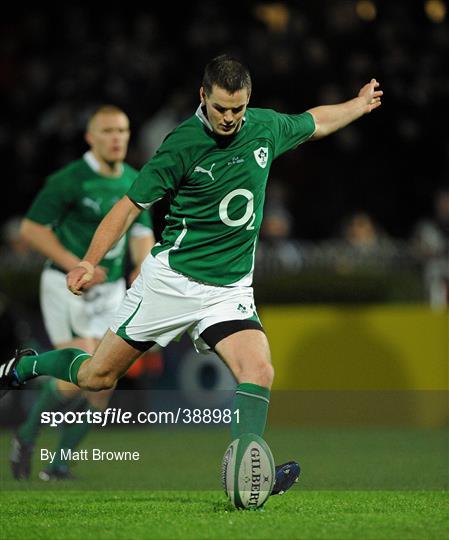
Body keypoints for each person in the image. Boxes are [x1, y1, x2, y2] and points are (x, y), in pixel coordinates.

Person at [1, 55, 382, 496]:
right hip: (171, 283)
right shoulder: (180, 144)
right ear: (203, 96)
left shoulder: (263, 128)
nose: (229, 118)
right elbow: (128, 208)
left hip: (229, 289)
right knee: (95, 378)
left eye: (237, 109)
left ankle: (247, 472)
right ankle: (24, 365)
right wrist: (89, 259)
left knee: (258, 370)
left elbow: (313, 121)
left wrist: (356, 105)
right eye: (221, 108)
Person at [8, 105, 155, 480]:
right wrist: (77, 262)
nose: (117, 138)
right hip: (66, 285)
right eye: (107, 131)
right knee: (84, 365)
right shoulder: (69, 180)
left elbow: (140, 234)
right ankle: (26, 435)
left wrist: (142, 265)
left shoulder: (137, 180)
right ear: (90, 137)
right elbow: (32, 229)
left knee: (102, 386)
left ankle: (57, 464)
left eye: (122, 131)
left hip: (110, 291)